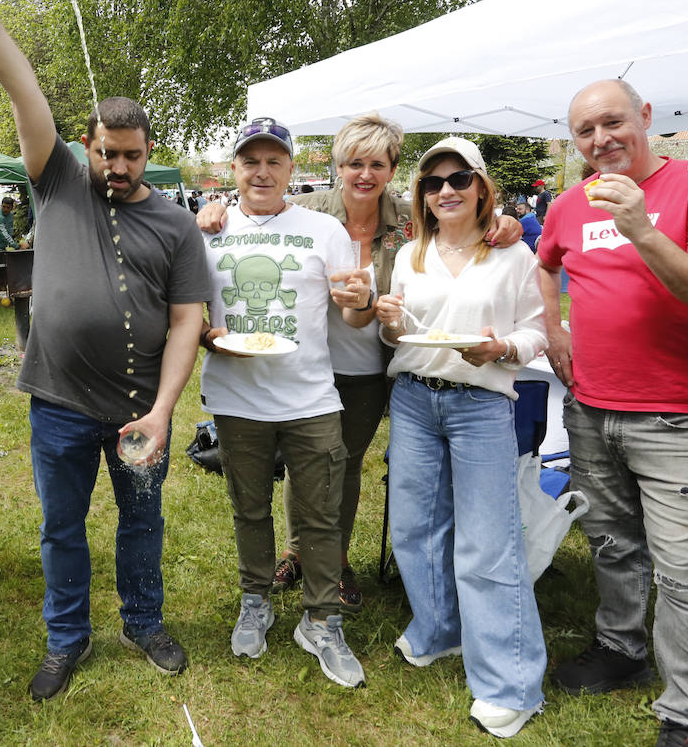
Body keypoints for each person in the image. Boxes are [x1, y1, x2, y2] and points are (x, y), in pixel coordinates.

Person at [0, 0, 210, 701]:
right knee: (61, 527)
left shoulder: (176, 224)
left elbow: (186, 322)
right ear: (85, 146)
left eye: (131, 156)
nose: (117, 168)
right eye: (106, 153)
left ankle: (143, 622)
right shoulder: (58, 177)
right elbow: (20, 83)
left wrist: (163, 412)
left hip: (138, 407)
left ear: (149, 152)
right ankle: (66, 638)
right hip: (58, 402)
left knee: (141, 523)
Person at [196, 119, 522, 612]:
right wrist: (215, 208)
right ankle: (297, 552)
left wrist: (503, 222)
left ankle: (336, 559)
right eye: (354, 163)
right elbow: (259, 210)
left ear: (392, 169)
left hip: (368, 361)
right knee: (305, 462)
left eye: (376, 164)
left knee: (341, 465)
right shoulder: (311, 210)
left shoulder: (414, 219)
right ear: (338, 167)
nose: (364, 174)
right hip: (301, 361)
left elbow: (467, 225)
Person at [537, 80, 688, 747]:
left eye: (612, 122)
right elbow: (546, 262)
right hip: (591, 407)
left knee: (682, 570)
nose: (600, 140)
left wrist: (642, 231)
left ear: (645, 116)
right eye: (585, 131)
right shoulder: (569, 203)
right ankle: (621, 646)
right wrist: (554, 328)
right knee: (611, 541)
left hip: (680, 416)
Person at [375, 136, 548, 737]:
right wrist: (388, 324)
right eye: (433, 182)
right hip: (413, 399)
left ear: (480, 187)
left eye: (458, 179)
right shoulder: (411, 254)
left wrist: (502, 348)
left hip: (481, 404)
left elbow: (537, 331)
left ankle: (510, 685)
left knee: (487, 542)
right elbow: (399, 336)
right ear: (421, 194)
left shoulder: (512, 253)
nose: (445, 190)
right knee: (414, 527)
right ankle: (439, 629)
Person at [198, 117, 374, 688]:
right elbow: (187, 310)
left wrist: (362, 301)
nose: (262, 172)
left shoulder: (324, 229)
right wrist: (207, 335)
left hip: (311, 397)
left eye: (274, 161)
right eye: (251, 161)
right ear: (234, 169)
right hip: (237, 396)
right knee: (248, 509)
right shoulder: (209, 230)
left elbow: (352, 315)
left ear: (291, 169)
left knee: (320, 514)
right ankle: (255, 601)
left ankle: (322, 620)